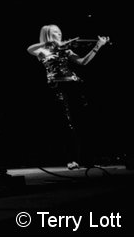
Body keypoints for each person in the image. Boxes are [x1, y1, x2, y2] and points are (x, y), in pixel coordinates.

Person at [27, 24, 109, 169]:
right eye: (55, 32)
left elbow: (83, 62)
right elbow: (29, 49)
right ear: (47, 35)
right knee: (66, 123)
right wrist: (50, 43)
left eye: (59, 32)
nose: (59, 34)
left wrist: (98, 46)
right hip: (56, 87)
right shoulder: (42, 50)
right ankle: (72, 159)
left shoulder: (66, 50)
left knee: (82, 120)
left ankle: (87, 159)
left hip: (73, 85)